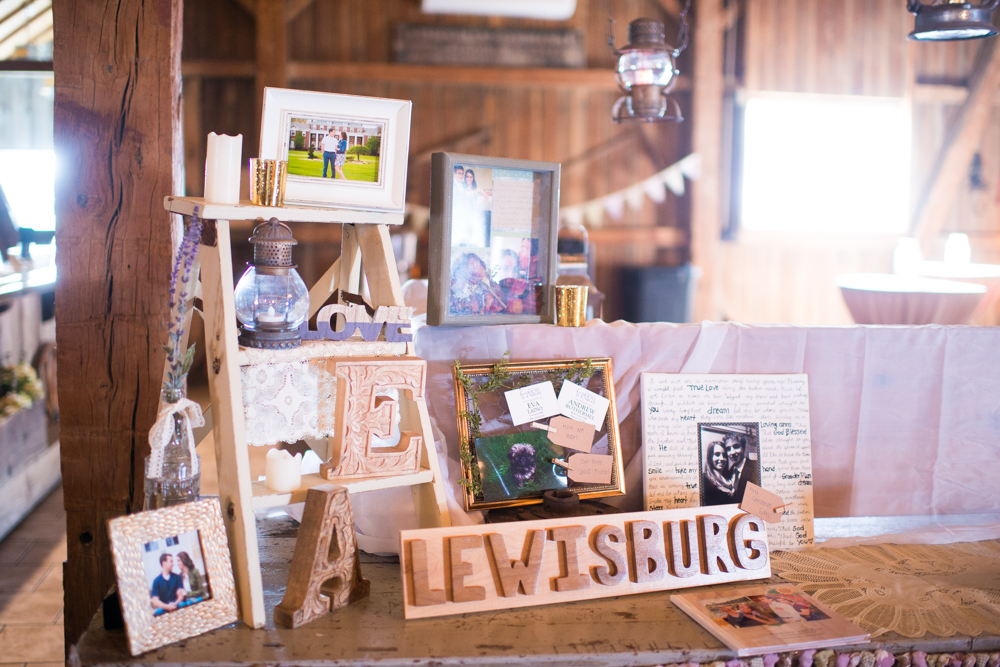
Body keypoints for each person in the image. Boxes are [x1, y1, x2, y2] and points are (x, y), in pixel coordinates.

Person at [724, 433, 760, 502]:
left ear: (743, 447)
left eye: (736, 446)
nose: (732, 452)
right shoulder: (728, 472)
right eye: (728, 449)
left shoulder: (756, 467)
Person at [702, 440, 737, 506]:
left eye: (724, 455)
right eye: (717, 454)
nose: (721, 458)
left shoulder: (728, 478)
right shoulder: (705, 480)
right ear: (710, 457)